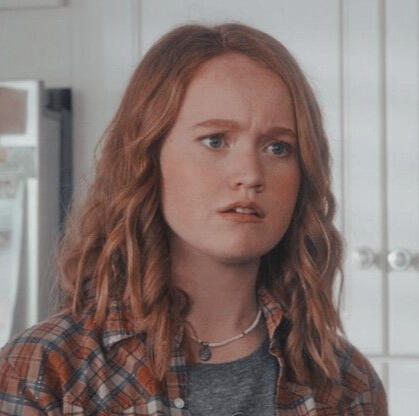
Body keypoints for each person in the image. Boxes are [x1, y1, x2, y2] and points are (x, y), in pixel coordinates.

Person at [0, 23, 388, 415]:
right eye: (215, 141)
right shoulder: (44, 371)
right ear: (147, 158)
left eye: (278, 147)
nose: (251, 174)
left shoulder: (346, 383)